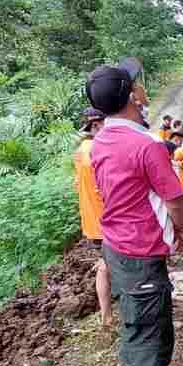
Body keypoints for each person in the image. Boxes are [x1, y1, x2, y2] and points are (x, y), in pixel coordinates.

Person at [86, 57, 183, 366]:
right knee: (148, 329)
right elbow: (175, 198)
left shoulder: (100, 141)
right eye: (137, 83)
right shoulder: (145, 144)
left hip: (118, 245)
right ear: (133, 95)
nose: (143, 87)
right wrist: (181, 234)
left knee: (141, 322)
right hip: (140, 249)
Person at [73, 107, 111, 329]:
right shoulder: (99, 150)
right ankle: (107, 315)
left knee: (106, 264)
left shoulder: (80, 151)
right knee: (109, 266)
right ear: (97, 126)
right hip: (107, 220)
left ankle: (107, 314)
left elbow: (77, 183)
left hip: (91, 221)